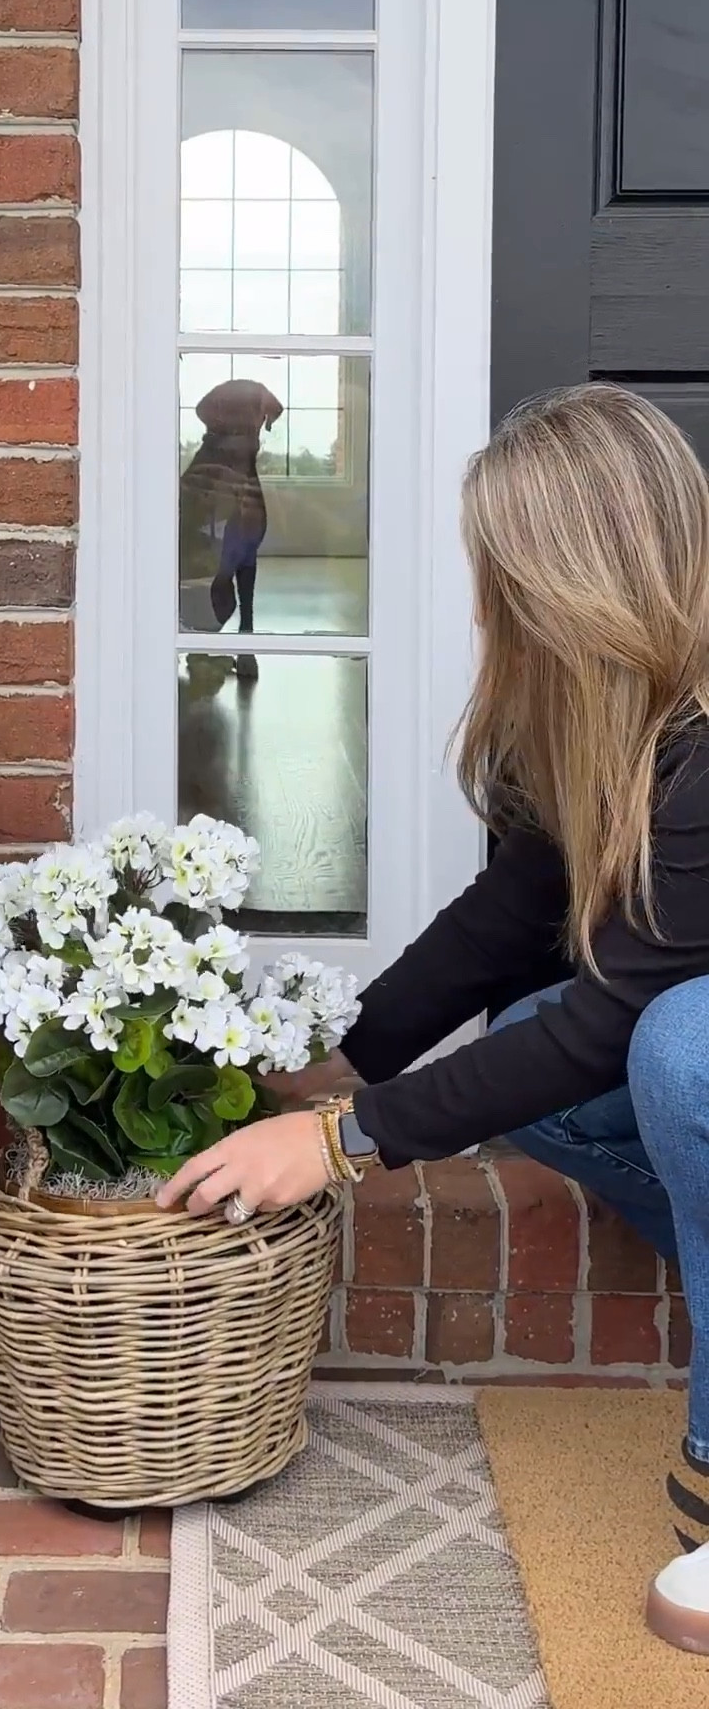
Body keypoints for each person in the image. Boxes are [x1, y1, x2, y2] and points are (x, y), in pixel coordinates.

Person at [158, 384, 709, 1656]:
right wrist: (340, 1066)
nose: (481, 606)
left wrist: (348, 1142)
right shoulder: (604, 720)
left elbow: (618, 1012)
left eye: (498, 577)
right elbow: (506, 920)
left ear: (571, 582)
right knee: (556, 1042)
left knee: (670, 1042)